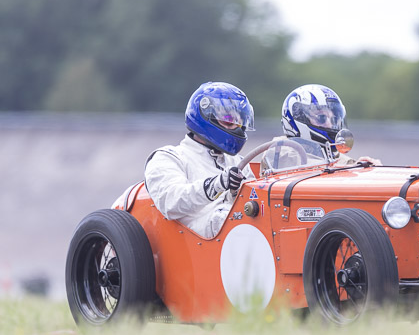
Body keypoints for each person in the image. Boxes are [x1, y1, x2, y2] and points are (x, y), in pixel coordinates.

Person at [144, 81, 256, 238]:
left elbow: (254, 207)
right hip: (196, 242)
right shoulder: (168, 157)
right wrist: (218, 184)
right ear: (205, 116)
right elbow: (170, 203)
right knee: (224, 218)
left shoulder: (239, 162)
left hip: (239, 239)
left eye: (239, 122)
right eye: (229, 120)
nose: (236, 128)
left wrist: (235, 192)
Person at [280, 84, 382, 166]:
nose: (329, 124)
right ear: (299, 119)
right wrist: (352, 168)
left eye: (333, 119)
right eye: (321, 117)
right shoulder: (281, 153)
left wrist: (368, 168)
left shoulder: (331, 156)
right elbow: (310, 170)